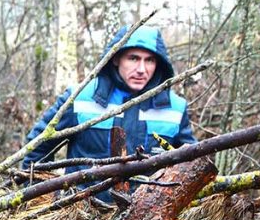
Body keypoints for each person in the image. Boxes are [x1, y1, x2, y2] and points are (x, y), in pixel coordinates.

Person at [21, 25, 195, 187]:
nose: (142, 69)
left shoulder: (176, 108)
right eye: (133, 58)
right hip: (83, 214)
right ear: (116, 59)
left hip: (150, 216)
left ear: (159, 64)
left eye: (149, 60)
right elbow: (37, 150)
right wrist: (42, 203)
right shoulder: (79, 98)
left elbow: (193, 165)